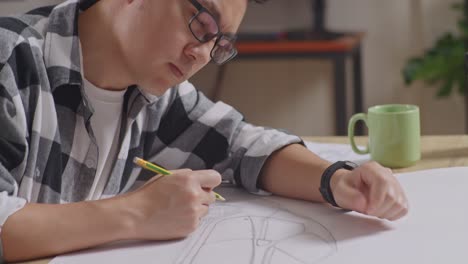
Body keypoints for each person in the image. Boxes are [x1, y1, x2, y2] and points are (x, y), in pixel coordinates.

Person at [0, 0, 408, 262]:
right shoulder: (10, 60)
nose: (202, 54)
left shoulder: (156, 95)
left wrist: (337, 180)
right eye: (201, 23)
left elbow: (242, 145)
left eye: (219, 44)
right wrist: (138, 213)